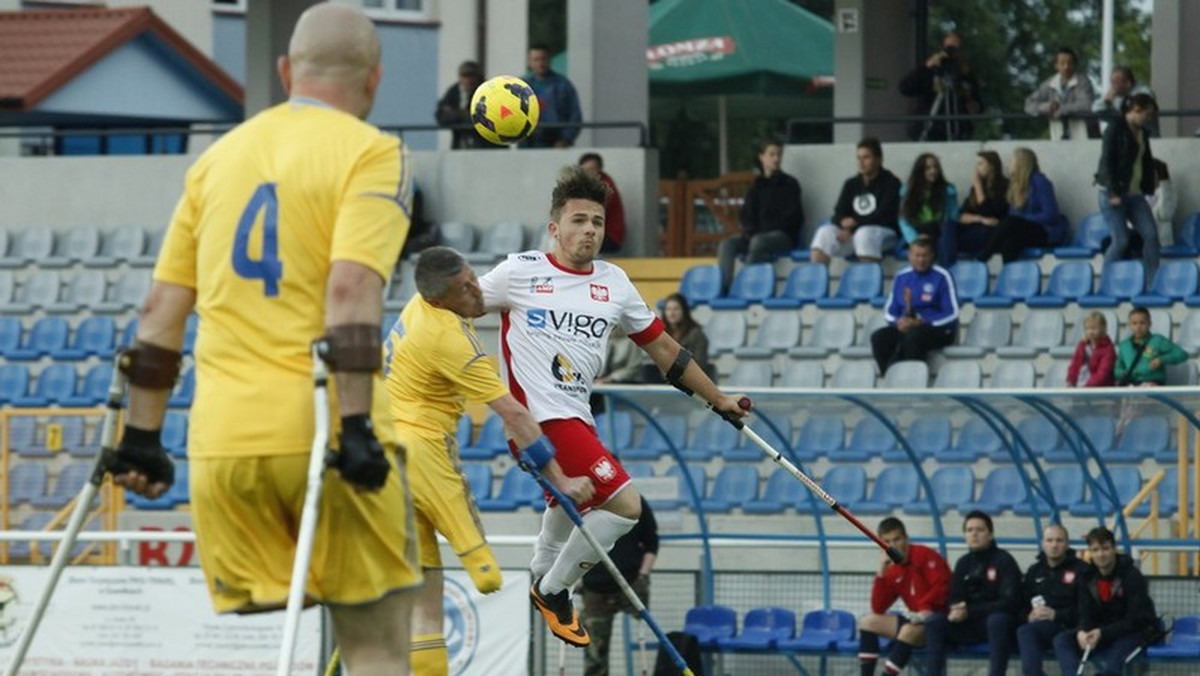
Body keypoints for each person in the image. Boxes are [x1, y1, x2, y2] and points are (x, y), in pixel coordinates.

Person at [109, 5, 420, 675]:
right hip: (326, 431)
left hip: (224, 449)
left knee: (291, 631)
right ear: (376, 80)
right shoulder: (374, 152)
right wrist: (358, 425)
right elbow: (348, 293)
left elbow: (161, 310)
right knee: (377, 647)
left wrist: (140, 440)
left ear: (285, 72)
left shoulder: (215, 161)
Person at [478, 166, 749, 647]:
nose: (589, 231)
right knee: (625, 507)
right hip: (537, 423)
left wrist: (718, 398)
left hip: (578, 418)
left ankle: (543, 569)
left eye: (597, 223)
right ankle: (552, 590)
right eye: (579, 220)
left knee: (572, 504)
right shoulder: (519, 272)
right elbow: (458, 302)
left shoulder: (615, 282)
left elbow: (665, 350)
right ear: (554, 227)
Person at [384, 246, 595, 675]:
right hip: (423, 451)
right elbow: (515, 413)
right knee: (486, 575)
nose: (478, 291)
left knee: (427, 579)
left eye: (473, 277)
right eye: (465, 288)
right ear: (440, 298)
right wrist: (562, 479)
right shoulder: (449, 337)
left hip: (385, 452)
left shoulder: (416, 306)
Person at [923, 511, 1021, 676]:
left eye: (979, 530)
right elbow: (955, 595)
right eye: (969, 530)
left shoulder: (1004, 560)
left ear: (990, 534)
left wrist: (970, 611)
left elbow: (1010, 602)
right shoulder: (963, 563)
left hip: (998, 625)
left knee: (996, 620)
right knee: (934, 622)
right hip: (968, 623)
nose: (974, 534)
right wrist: (955, 609)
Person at [1053, 527, 1159, 676]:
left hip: (1134, 631)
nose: (1101, 554)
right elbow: (1084, 611)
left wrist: (1102, 633)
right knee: (1062, 640)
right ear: (1090, 552)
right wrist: (1083, 631)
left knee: (1112, 666)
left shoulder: (1132, 576)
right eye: (1095, 550)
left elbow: (1134, 620)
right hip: (1102, 632)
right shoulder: (1086, 576)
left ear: (1114, 549)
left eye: (1105, 548)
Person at [857, 517, 951, 676]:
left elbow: (943, 587)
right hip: (915, 619)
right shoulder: (892, 569)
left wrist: (924, 608)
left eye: (897, 539)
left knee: (907, 630)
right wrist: (881, 572)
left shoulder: (925, 555)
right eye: (887, 542)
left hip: (938, 621)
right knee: (868, 621)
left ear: (906, 538)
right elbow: (878, 607)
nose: (893, 545)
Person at [578, 496, 658, 676]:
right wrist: (574, 577)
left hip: (631, 584)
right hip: (594, 588)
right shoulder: (583, 503)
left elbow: (651, 543)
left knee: (643, 639)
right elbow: (568, 544)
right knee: (594, 653)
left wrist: (643, 576)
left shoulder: (635, 501)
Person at [717, 140, 804, 292]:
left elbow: (795, 216)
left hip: (783, 236)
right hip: (757, 236)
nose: (776, 158)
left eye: (778, 154)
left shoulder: (790, 184)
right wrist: (749, 231)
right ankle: (723, 287)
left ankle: (744, 285)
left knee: (758, 242)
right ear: (762, 157)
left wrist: (762, 232)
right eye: (772, 154)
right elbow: (746, 215)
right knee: (727, 245)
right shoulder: (756, 186)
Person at [1096, 93, 1160, 289]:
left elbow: (1145, 160)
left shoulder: (1143, 133)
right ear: (1135, 110)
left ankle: (1152, 282)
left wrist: (1150, 183)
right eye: (1146, 115)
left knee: (1150, 235)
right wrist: (1113, 192)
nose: (1149, 119)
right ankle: (1105, 282)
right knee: (1121, 240)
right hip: (1113, 191)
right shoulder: (1115, 128)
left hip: (1134, 193)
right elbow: (1107, 161)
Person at [871, 238, 959, 375]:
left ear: (932, 256)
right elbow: (889, 310)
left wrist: (923, 322)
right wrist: (898, 322)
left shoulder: (942, 276)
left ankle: (913, 378)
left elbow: (952, 313)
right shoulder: (901, 277)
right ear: (909, 255)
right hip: (907, 326)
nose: (921, 260)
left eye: (925, 255)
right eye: (917, 255)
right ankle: (889, 376)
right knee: (879, 337)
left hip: (937, 329)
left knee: (914, 335)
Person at [810, 137, 902, 265]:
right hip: (852, 234)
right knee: (824, 233)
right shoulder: (851, 184)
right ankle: (817, 281)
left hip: (884, 234)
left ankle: (867, 282)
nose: (861, 163)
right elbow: (839, 212)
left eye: (866, 158)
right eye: (858, 158)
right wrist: (842, 221)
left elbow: (883, 215)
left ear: (879, 159)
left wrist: (853, 227)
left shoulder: (892, 183)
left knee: (864, 234)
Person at [1014, 524, 1087, 676]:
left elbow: (1087, 609)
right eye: (1049, 540)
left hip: (1071, 627)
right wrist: (1029, 616)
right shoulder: (1034, 571)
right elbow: (1020, 605)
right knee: (1024, 630)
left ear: (1067, 544)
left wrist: (1056, 614)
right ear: (1043, 544)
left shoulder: (1082, 570)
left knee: (1058, 639)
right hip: (1043, 628)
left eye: (1059, 540)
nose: (1054, 545)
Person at [976, 147, 1065, 263]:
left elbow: (1051, 214)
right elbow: (1013, 213)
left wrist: (1023, 219)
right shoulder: (1015, 185)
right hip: (1025, 230)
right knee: (1009, 242)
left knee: (1010, 221)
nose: (1009, 165)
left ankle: (983, 257)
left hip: (1046, 231)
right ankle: (1009, 275)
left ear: (1022, 163)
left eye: (1012, 161)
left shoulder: (1040, 181)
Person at [899, 31, 983, 141]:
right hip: (929, 132)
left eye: (956, 49)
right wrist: (926, 67)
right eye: (948, 48)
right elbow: (905, 88)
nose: (951, 52)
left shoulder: (965, 75)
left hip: (957, 133)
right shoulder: (930, 71)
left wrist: (967, 92)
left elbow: (978, 108)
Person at [944, 150, 1009, 263]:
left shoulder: (1004, 186)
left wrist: (978, 186)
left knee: (948, 242)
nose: (976, 169)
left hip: (991, 232)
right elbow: (961, 214)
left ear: (992, 166)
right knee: (947, 228)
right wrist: (980, 219)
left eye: (981, 163)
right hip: (975, 226)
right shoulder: (976, 188)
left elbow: (988, 212)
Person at [898, 153, 959, 267]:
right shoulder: (907, 191)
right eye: (928, 168)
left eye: (935, 167)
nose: (933, 171)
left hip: (938, 232)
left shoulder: (947, 190)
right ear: (920, 171)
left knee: (947, 233)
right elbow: (903, 220)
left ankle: (945, 273)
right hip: (915, 231)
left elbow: (953, 218)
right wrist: (915, 239)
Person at [1024, 47, 1097, 141]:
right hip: (1056, 133)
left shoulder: (1083, 82)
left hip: (1082, 133)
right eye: (1062, 63)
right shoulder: (1049, 83)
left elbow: (1086, 105)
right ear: (1056, 65)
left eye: (1070, 63)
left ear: (1074, 65)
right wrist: (1047, 106)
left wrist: (1061, 109)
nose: (1066, 67)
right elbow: (1028, 105)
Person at [523, 44, 582, 148]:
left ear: (550, 60)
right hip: (528, 144)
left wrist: (565, 139)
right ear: (529, 62)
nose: (540, 63)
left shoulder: (563, 84)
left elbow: (575, 116)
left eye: (543, 59)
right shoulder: (521, 86)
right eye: (536, 60)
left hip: (558, 143)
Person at [1114, 306, 1187, 387]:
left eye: (1142, 323)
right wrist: (1125, 373)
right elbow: (1117, 370)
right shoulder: (1124, 345)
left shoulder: (1158, 341)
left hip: (1152, 385)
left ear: (1150, 324)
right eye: (1134, 323)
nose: (1138, 327)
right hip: (1130, 385)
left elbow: (1182, 354)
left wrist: (1162, 359)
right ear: (1129, 325)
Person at [435, 60, 493, 149]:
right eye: (465, 76)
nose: (468, 80)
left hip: (487, 146)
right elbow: (441, 117)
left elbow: (485, 117)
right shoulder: (454, 91)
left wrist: (455, 113)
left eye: (471, 76)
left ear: (478, 77)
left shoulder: (487, 90)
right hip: (460, 145)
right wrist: (465, 114)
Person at [579, 153, 627, 254]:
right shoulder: (590, 186)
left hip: (609, 236)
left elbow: (592, 212)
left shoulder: (604, 187)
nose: (588, 173)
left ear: (599, 170)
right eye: (585, 170)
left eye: (591, 169)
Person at [659, 292, 710, 380]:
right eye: (668, 309)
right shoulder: (663, 334)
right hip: (667, 382)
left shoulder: (696, 334)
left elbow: (700, 363)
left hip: (693, 382)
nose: (672, 313)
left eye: (676, 309)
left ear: (684, 311)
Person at [1094, 66, 1157, 135]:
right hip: (1122, 135)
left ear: (1128, 83)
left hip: (1144, 133)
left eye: (1116, 82)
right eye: (1112, 82)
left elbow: (1139, 109)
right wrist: (1106, 102)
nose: (1113, 86)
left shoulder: (1144, 92)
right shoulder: (1114, 95)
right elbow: (1095, 108)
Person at [1066, 311, 1116, 387]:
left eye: (1094, 328)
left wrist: (1086, 387)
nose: (1091, 332)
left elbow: (1102, 374)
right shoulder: (1082, 345)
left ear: (1103, 328)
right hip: (1081, 385)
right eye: (1088, 328)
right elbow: (1075, 365)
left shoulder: (1108, 349)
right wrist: (1070, 381)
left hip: (1101, 388)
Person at [1149, 159, 1177, 248]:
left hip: (1160, 244)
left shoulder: (1167, 192)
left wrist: (1165, 183)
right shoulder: (1140, 194)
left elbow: (1166, 214)